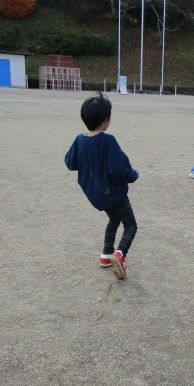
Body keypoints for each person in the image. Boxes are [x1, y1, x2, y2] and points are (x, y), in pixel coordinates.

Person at [64, 92, 139, 280]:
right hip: (113, 193)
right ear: (106, 120)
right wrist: (133, 175)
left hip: (95, 194)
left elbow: (70, 162)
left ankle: (106, 255)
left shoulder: (79, 139)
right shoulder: (107, 140)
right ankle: (120, 254)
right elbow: (119, 168)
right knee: (131, 225)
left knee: (114, 218)